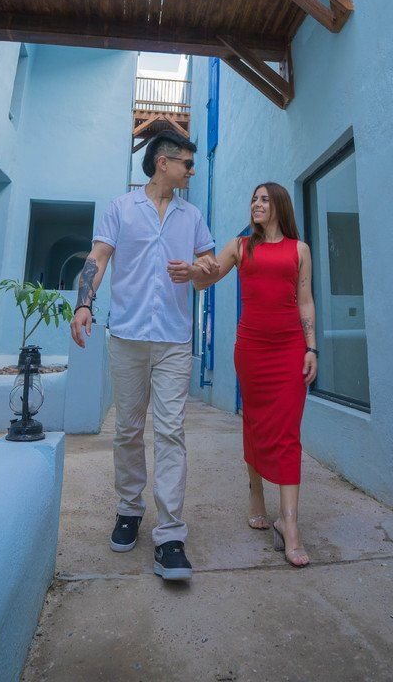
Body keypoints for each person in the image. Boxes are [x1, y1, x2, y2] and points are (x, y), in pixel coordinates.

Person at [71, 129, 218, 582]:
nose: (192, 171)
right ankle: (129, 509)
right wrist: (83, 303)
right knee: (128, 430)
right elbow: (98, 258)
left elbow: (210, 269)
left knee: (171, 432)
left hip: (174, 340)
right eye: (187, 164)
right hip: (128, 337)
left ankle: (170, 534)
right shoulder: (121, 208)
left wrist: (196, 270)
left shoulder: (192, 216)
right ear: (162, 163)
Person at [169, 182, 317, 568]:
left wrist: (311, 348)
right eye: (254, 199)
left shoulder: (299, 250)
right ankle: (256, 493)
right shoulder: (240, 246)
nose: (256, 204)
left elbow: (305, 301)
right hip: (251, 350)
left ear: (280, 206)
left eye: (264, 199)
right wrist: (194, 270)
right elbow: (207, 278)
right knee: (255, 422)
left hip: (289, 349)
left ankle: (289, 523)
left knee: (287, 431)